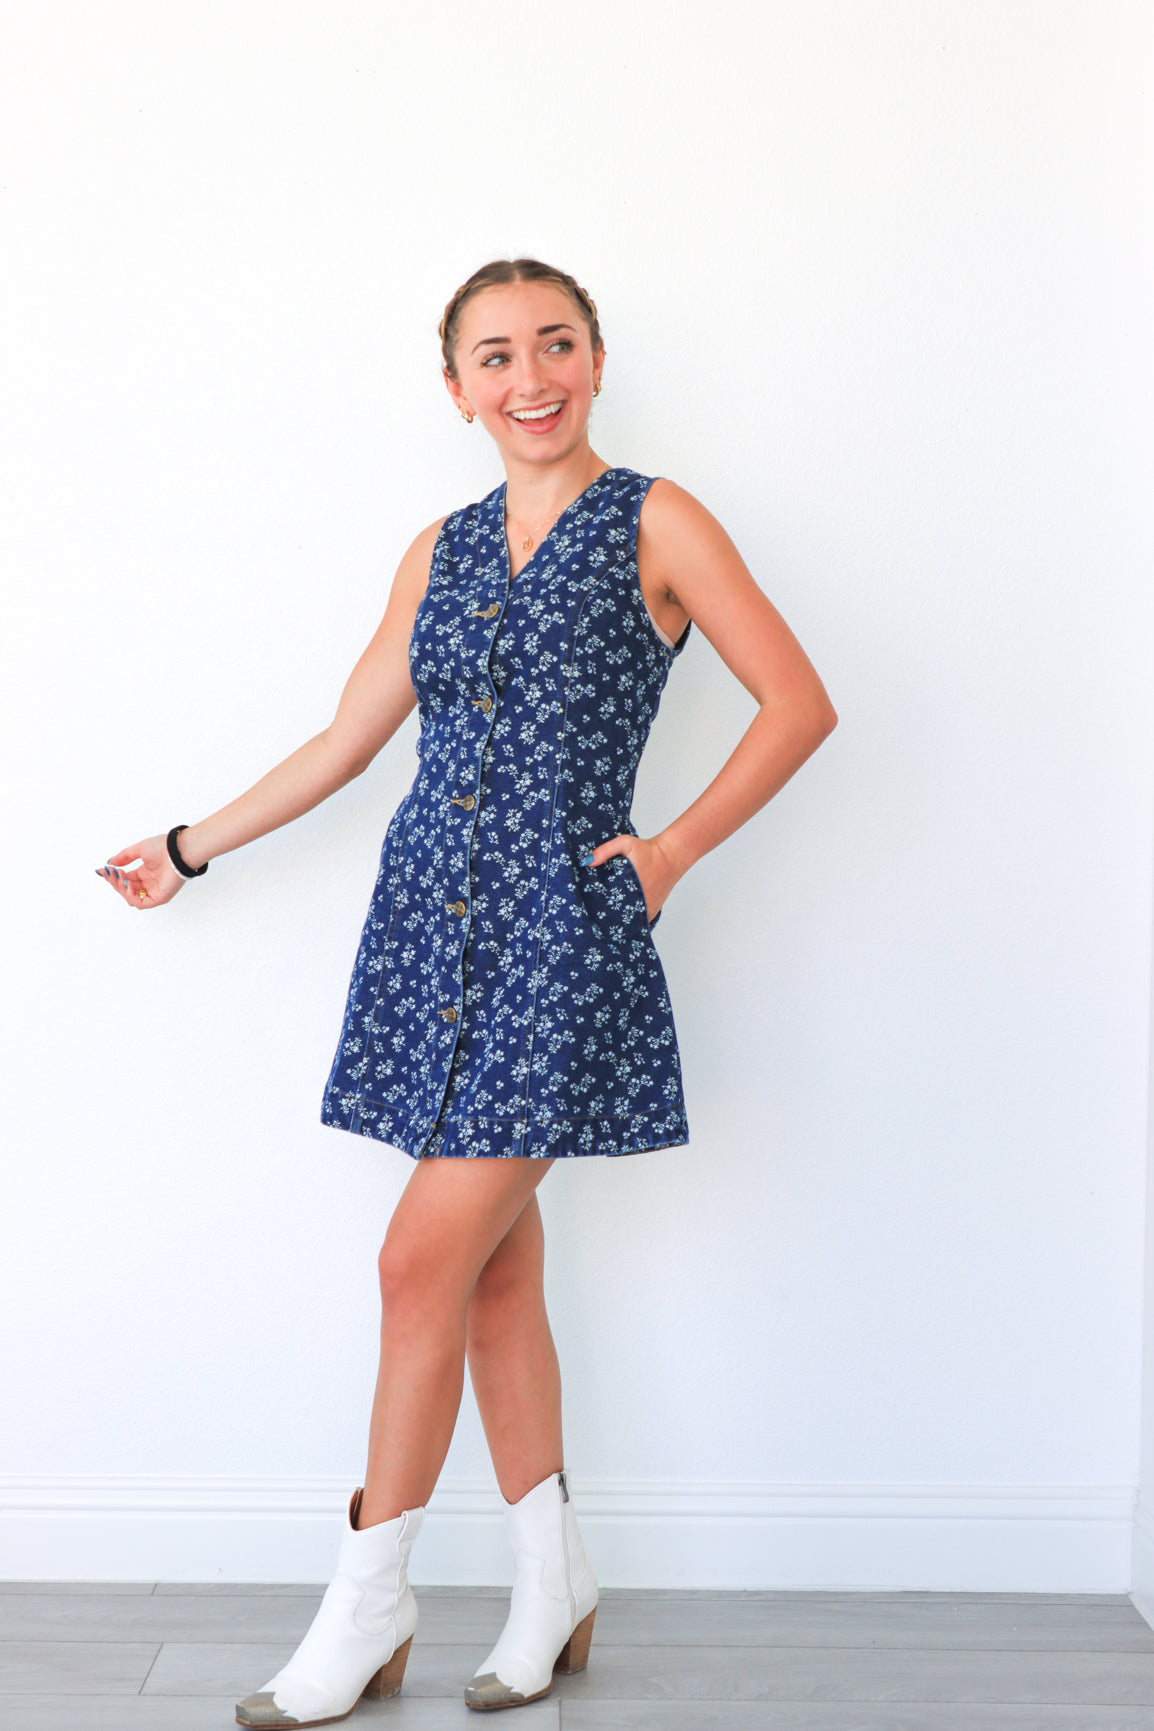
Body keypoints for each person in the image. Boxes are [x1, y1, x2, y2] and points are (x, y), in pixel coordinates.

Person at [98, 257, 838, 1726]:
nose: (530, 377)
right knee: (493, 1269)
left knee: (412, 1264)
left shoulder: (658, 518)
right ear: (456, 390)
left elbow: (799, 700)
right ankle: (551, 1580)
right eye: (495, 356)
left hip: (563, 937)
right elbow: (349, 738)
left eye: (554, 344)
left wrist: (673, 851)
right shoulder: (433, 550)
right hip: (426, 938)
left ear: (597, 358)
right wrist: (192, 844)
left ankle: (366, 1607)